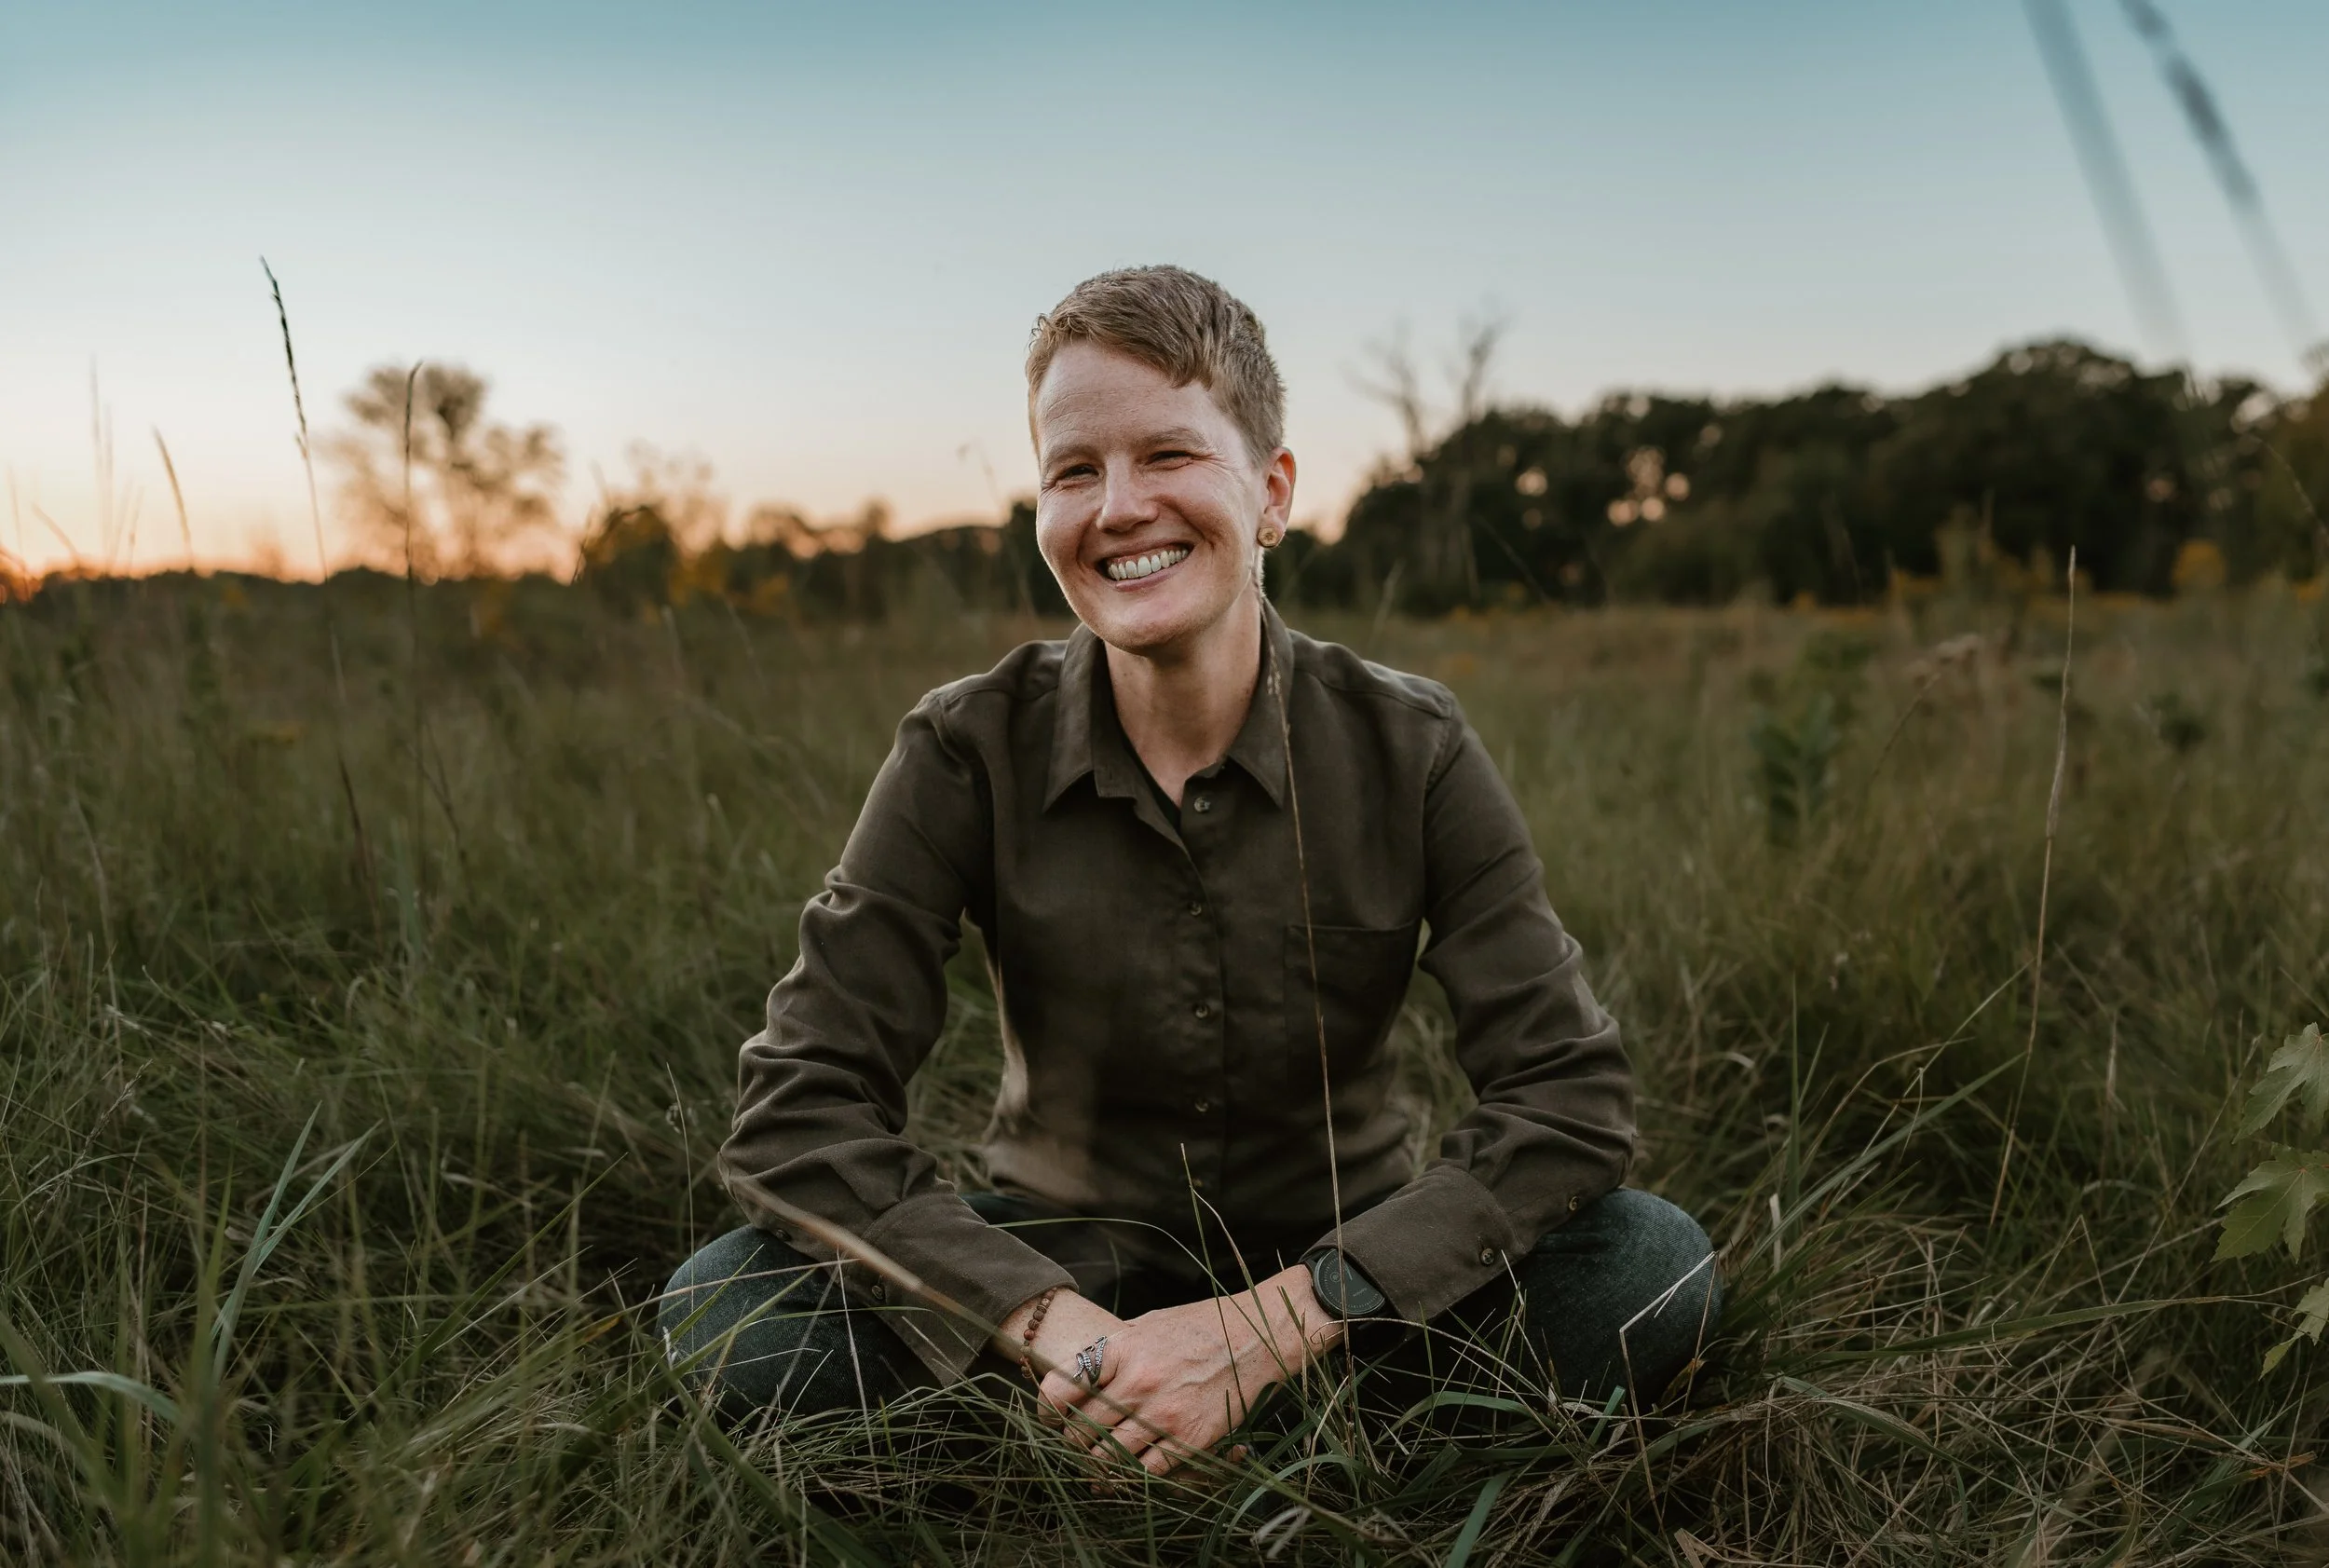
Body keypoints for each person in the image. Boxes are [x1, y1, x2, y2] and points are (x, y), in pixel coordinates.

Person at [661, 266, 1719, 1475]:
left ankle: (1178, 1444)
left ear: (1270, 493)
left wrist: (1267, 1329)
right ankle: (1170, 1433)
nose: (1118, 507)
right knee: (725, 1303)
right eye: (1074, 470)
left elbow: (1567, 1100)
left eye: (1168, 455)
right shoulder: (965, 748)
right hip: (1059, 1277)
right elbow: (798, 1107)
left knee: (1649, 1262)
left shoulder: (1412, 747)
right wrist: (1061, 1334)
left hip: (1348, 1284)